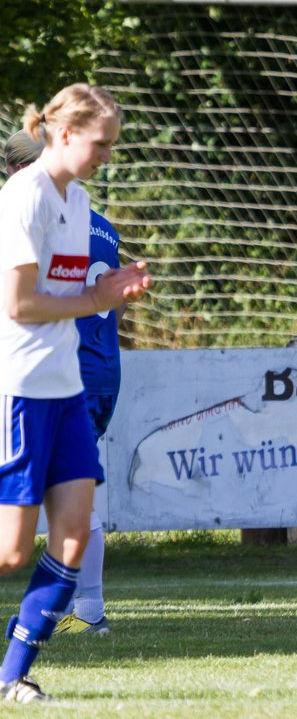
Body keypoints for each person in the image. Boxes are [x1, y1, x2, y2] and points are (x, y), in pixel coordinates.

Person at [0, 85, 151, 701]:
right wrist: (94, 298)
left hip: (68, 390)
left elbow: (71, 293)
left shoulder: (79, 199)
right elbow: (19, 302)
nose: (105, 156)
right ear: (64, 133)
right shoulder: (23, 195)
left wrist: (113, 284)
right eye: (100, 144)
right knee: (10, 553)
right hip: (23, 389)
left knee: (72, 540)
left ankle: (11, 677)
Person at [6, 129, 119, 636]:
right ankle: (90, 610)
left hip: (57, 376)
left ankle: (87, 612)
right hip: (93, 369)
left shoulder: (53, 211)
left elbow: (29, 302)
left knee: (65, 518)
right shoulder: (97, 224)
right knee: (25, 540)